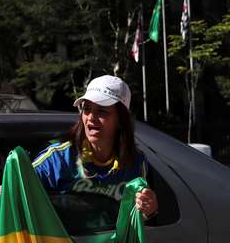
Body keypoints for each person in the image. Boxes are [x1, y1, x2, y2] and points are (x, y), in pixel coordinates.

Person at [32, 75, 158, 221]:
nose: (90, 117)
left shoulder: (136, 161)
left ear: (121, 119)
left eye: (102, 111)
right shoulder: (56, 159)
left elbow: (138, 219)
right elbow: (15, 195)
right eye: (87, 109)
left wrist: (150, 210)